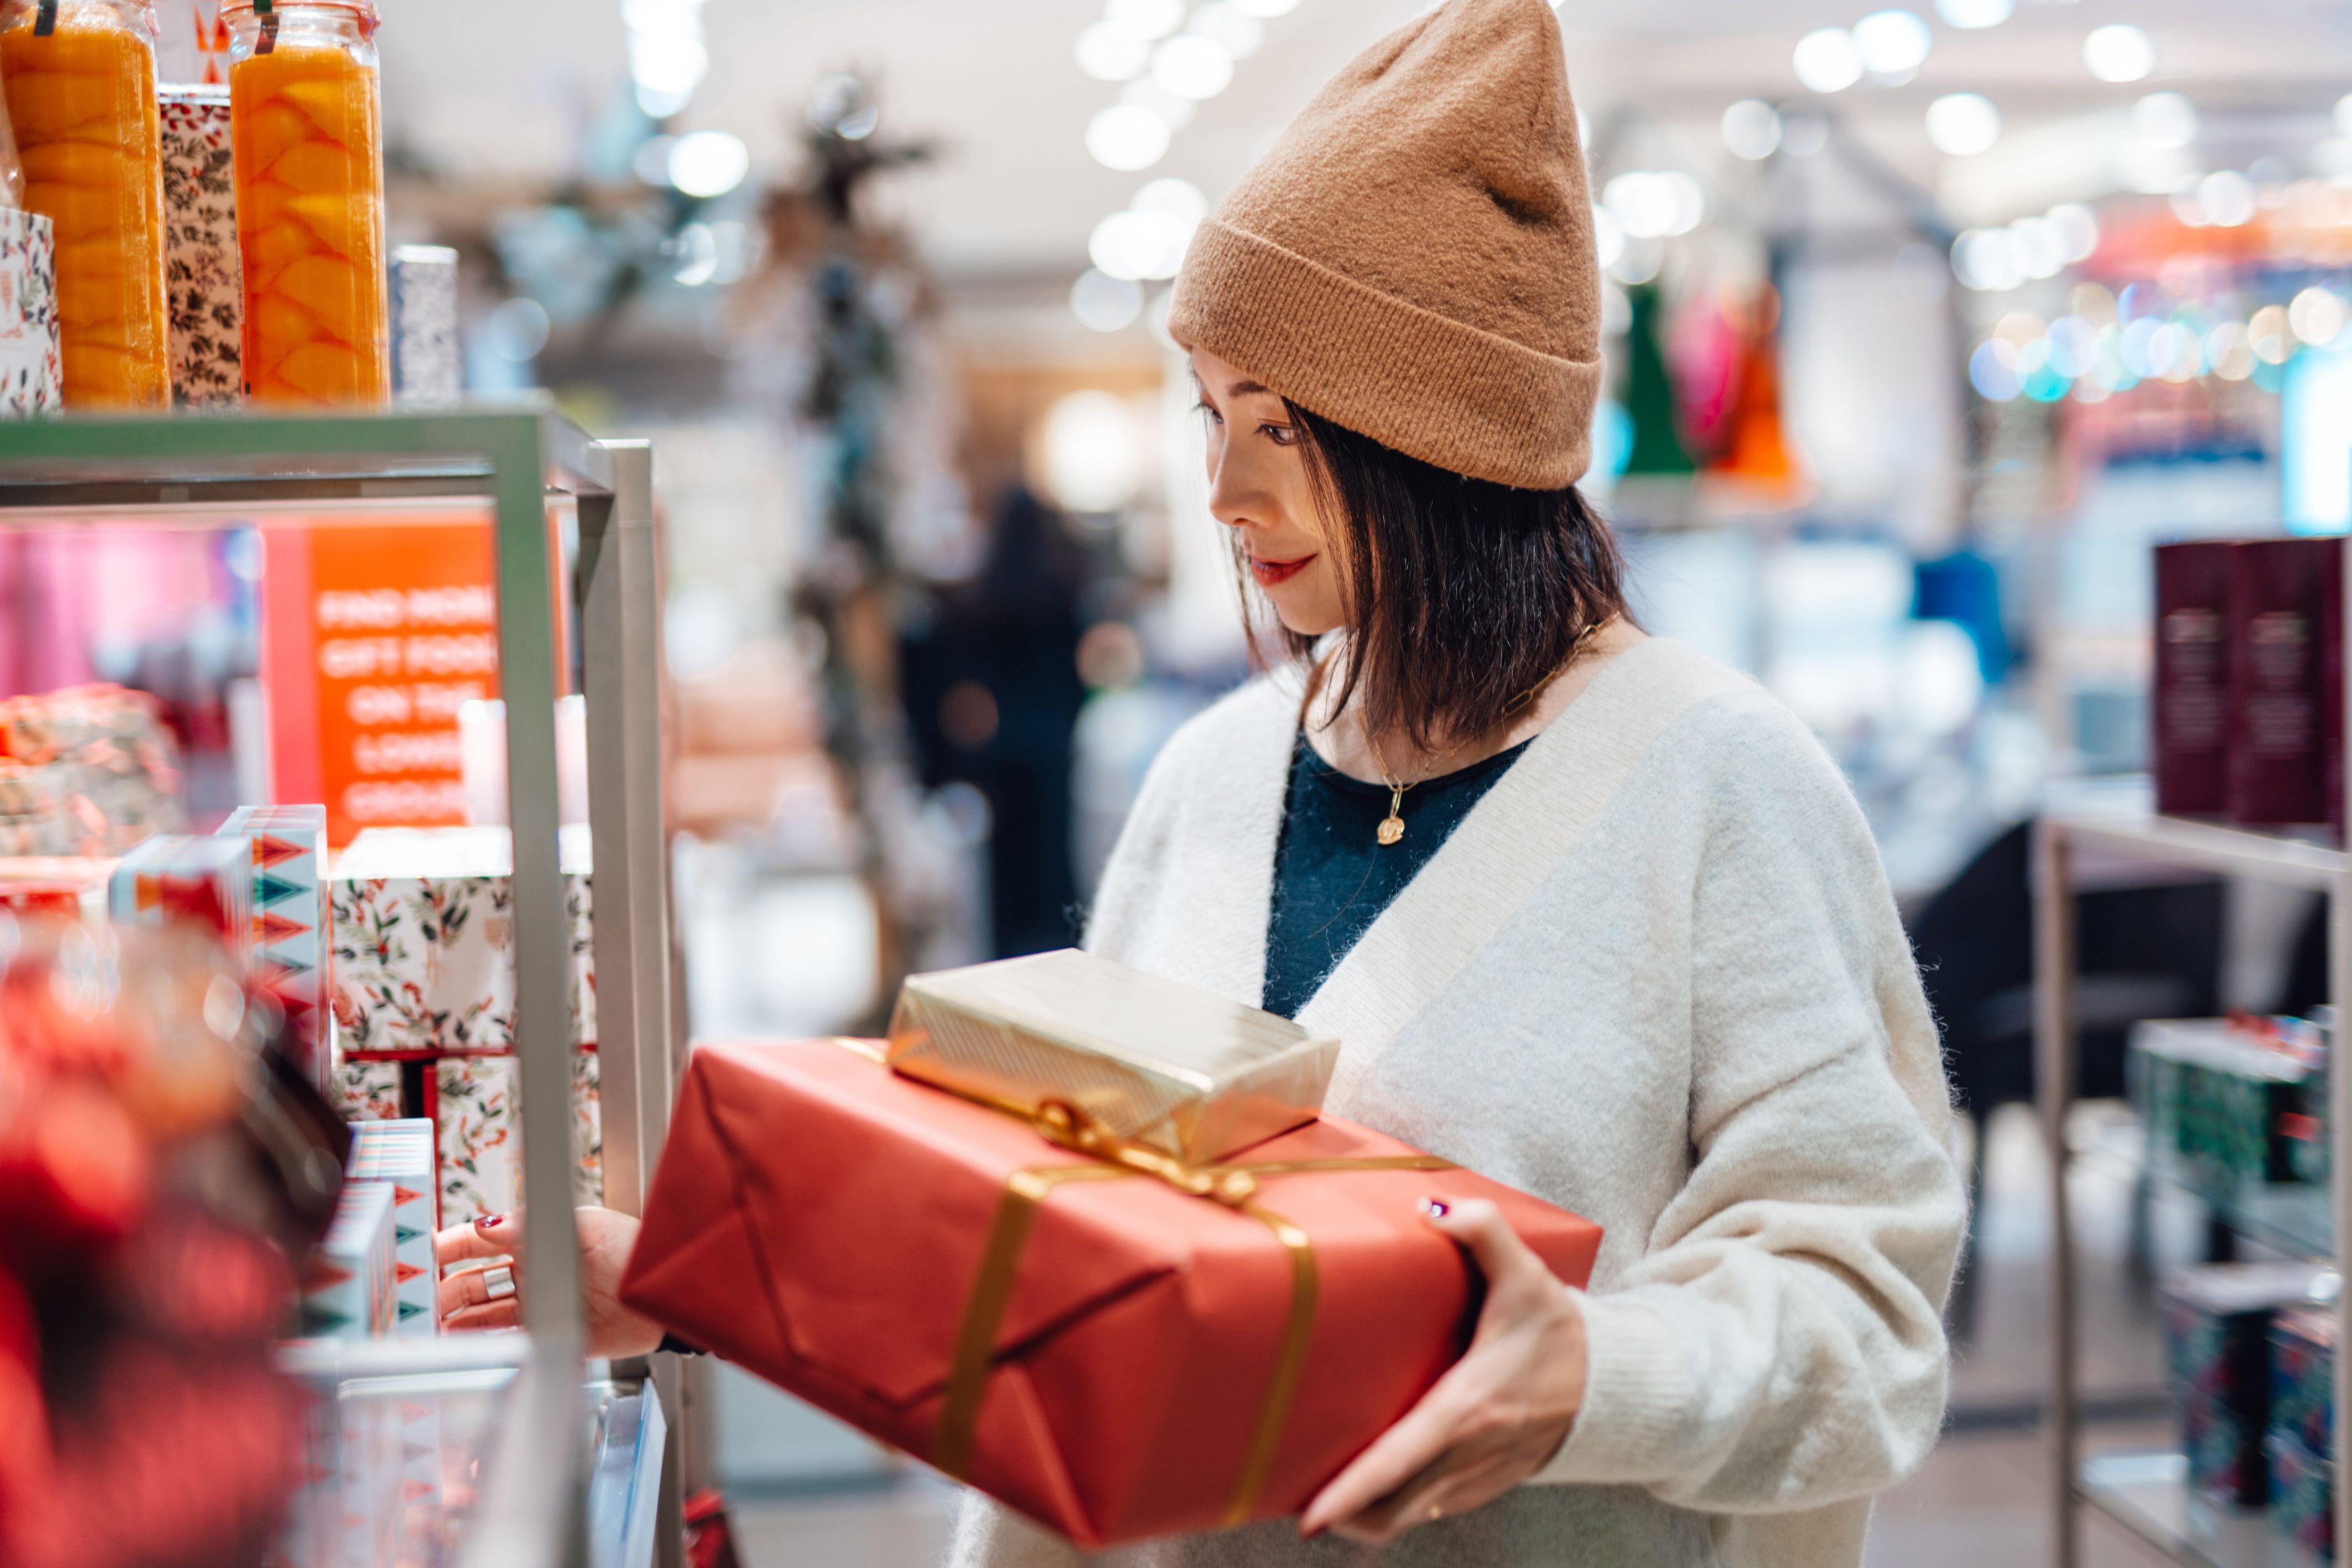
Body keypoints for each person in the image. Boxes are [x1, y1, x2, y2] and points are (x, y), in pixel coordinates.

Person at [438, 1, 1965, 1563]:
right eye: (1213, 420)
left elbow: (1864, 1310)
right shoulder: (1218, 774)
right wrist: (720, 1285)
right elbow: (1082, 1273)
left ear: (1434, 439)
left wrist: (1597, 1378)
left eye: (1282, 428)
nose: (1227, 494)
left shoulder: (1716, 786)